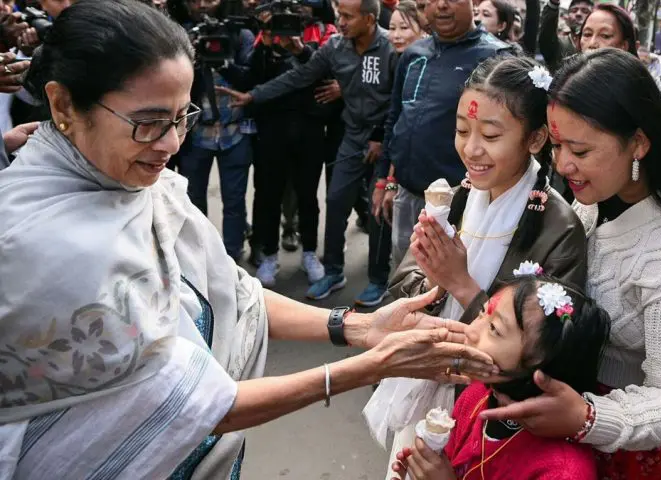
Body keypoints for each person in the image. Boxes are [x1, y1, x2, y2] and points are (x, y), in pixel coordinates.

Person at [0, 1, 499, 477]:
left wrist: (355, 327)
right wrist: (371, 366)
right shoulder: (46, 249)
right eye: (149, 122)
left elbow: (233, 293)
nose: (173, 145)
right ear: (63, 104)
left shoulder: (129, 181)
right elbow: (192, 408)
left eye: (181, 118)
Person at [478, 48, 661, 479]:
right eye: (558, 145)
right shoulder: (592, 202)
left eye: (581, 151)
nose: (563, 164)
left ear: (639, 142)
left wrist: (587, 417)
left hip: (622, 450)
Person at [376, 55, 587, 478]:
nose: (471, 148)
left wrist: (462, 285)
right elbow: (399, 289)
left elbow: (546, 351)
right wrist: (430, 276)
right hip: (428, 380)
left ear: (535, 139)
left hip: (490, 415)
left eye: (490, 134)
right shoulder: (453, 199)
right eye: (461, 130)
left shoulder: (558, 226)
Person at [218, 0, 397, 306]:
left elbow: (399, 97)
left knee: (380, 210)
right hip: (352, 137)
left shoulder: (392, 49)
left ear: (369, 19)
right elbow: (297, 77)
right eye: (339, 15)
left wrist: (381, 136)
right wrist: (253, 96)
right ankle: (333, 271)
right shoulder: (336, 47)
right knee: (336, 201)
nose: (340, 22)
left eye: (348, 17)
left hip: (387, 140)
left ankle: (379, 279)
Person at [390, 274, 610, 480]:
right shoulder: (476, 397)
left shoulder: (563, 471)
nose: (471, 331)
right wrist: (428, 467)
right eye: (481, 314)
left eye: (494, 328)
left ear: (541, 362)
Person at [374, 0, 512, 269]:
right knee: (404, 273)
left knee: (448, 281)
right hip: (407, 193)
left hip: (462, 202)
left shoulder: (496, 58)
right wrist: (387, 181)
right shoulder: (413, 54)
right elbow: (396, 119)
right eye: (432, 0)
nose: (442, 6)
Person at [242, 6, 337, 286]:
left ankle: (310, 253)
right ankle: (269, 255)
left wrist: (299, 49)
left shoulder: (316, 41)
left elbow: (323, 72)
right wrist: (267, 42)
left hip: (309, 133)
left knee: (308, 197)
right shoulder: (264, 47)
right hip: (272, 134)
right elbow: (252, 79)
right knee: (269, 196)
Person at [172, 0, 256, 261]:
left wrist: (222, 63)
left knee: (234, 201)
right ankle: (199, 259)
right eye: (195, 1)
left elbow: (250, 79)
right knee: (193, 201)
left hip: (234, 133)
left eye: (210, 0)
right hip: (196, 134)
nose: (203, 5)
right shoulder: (177, 35)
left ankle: (232, 258)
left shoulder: (240, 34)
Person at [538, 0, 591, 72]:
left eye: (585, 11)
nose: (578, 14)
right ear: (567, 17)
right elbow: (546, 33)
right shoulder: (556, 45)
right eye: (574, 10)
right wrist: (553, 4)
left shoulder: (598, 45)